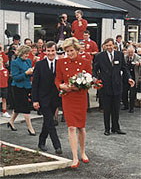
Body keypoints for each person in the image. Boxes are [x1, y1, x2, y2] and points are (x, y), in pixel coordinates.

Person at [55, 37, 92, 168]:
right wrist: (62, 86)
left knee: (81, 127)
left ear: (76, 49)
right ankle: (75, 157)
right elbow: (57, 79)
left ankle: (83, 152)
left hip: (80, 97)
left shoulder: (86, 62)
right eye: (67, 51)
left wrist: (79, 87)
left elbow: (89, 82)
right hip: (68, 97)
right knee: (71, 127)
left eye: (71, 50)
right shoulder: (60, 63)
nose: (69, 53)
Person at [93, 38, 135, 136]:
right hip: (105, 86)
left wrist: (129, 78)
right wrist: (94, 78)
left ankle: (116, 128)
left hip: (117, 86)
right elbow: (95, 69)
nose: (109, 47)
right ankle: (107, 128)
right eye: (107, 45)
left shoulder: (119, 55)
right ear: (104, 46)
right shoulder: (100, 56)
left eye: (110, 45)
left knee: (116, 109)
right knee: (107, 109)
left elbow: (124, 69)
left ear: (114, 45)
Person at [32, 41, 62, 154]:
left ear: (56, 51)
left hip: (55, 98)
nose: (50, 53)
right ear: (45, 51)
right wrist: (35, 100)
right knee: (50, 121)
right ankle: (57, 146)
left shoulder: (60, 64)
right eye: (48, 51)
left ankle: (41, 142)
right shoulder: (39, 65)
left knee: (47, 122)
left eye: (52, 51)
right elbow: (35, 84)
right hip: (43, 98)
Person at [7, 45, 35, 135]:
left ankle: (11, 121)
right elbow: (15, 77)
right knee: (25, 107)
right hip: (18, 87)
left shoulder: (29, 61)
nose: (27, 55)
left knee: (18, 107)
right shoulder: (15, 63)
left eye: (28, 53)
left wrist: (32, 72)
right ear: (21, 53)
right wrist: (26, 73)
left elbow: (29, 74)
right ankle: (30, 128)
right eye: (26, 53)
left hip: (27, 86)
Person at [122, 45, 141, 113]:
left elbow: (140, 61)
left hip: (134, 77)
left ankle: (131, 107)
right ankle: (126, 105)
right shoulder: (125, 57)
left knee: (132, 93)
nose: (130, 54)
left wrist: (138, 63)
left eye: (131, 52)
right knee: (124, 92)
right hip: (126, 77)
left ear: (134, 52)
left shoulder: (137, 57)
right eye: (129, 52)